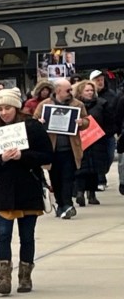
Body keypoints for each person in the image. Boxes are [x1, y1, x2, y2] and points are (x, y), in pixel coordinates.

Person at [0, 87, 54, 295]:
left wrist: (23, 156)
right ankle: (4, 277)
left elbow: (47, 155)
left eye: (8, 108)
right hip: (2, 190)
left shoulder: (32, 127)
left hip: (27, 187)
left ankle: (25, 276)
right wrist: (1, 159)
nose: (4, 112)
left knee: (27, 236)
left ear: (17, 107)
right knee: (3, 234)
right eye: (0, 109)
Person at [35, 78, 89, 219]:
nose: (71, 92)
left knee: (68, 177)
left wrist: (82, 122)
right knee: (55, 178)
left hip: (70, 149)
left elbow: (87, 121)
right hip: (51, 149)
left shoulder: (78, 104)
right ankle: (60, 204)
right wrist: (39, 122)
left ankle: (68, 204)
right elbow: (33, 121)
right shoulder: (45, 105)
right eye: (68, 90)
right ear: (58, 90)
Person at [73, 78, 111, 208]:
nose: (90, 93)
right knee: (81, 168)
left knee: (94, 169)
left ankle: (92, 194)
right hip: (80, 141)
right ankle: (80, 192)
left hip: (97, 140)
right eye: (87, 90)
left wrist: (104, 133)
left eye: (91, 90)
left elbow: (108, 121)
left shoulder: (101, 104)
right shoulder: (75, 105)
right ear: (80, 92)